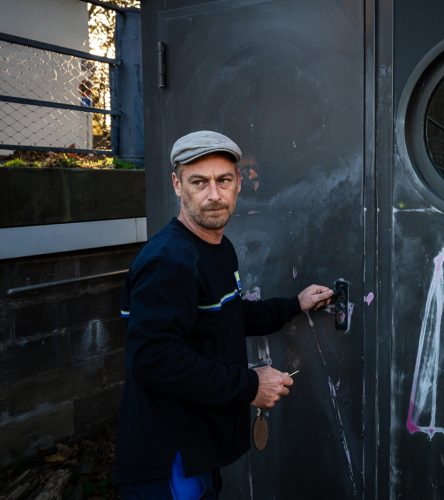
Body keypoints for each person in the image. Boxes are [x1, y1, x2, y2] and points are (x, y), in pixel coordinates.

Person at [115, 130, 333, 498]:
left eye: (224, 180)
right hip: (170, 454)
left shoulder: (215, 246)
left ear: (238, 185)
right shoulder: (170, 260)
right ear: (177, 184)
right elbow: (153, 358)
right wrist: (249, 385)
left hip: (199, 441)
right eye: (199, 182)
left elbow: (228, 315)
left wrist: (294, 305)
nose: (214, 195)